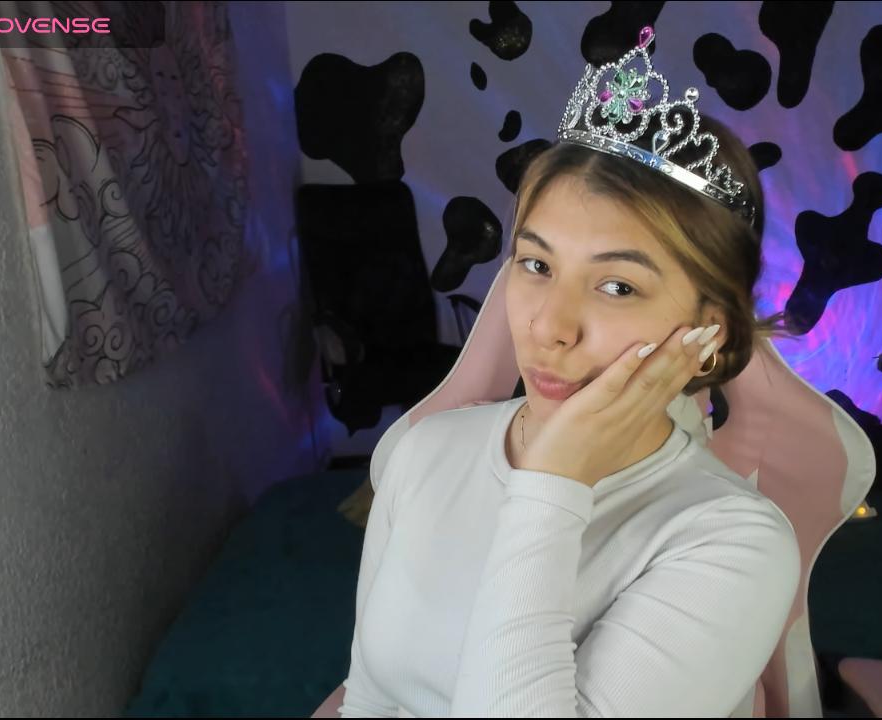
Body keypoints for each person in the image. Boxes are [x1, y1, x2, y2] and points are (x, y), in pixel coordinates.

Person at [316, 26, 800, 718]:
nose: (549, 327)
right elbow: (369, 698)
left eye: (618, 286)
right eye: (537, 265)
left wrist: (553, 484)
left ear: (708, 332)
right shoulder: (421, 453)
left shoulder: (732, 541)